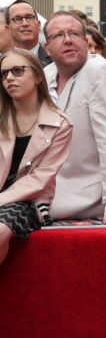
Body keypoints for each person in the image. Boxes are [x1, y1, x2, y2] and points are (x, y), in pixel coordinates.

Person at [43, 12, 106, 226]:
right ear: (47, 48)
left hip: (94, 197)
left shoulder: (102, 72)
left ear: (85, 40)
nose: (68, 39)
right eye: (59, 35)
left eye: (74, 33)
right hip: (49, 193)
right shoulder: (45, 75)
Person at [0, 48, 72, 264]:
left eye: (18, 70)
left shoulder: (60, 124)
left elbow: (41, 179)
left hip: (28, 200)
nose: (9, 77)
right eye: (4, 73)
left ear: (39, 76)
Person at [5, 0, 50, 66]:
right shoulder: (3, 63)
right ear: (8, 28)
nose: (25, 23)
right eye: (17, 19)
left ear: (39, 24)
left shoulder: (56, 61)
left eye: (29, 17)